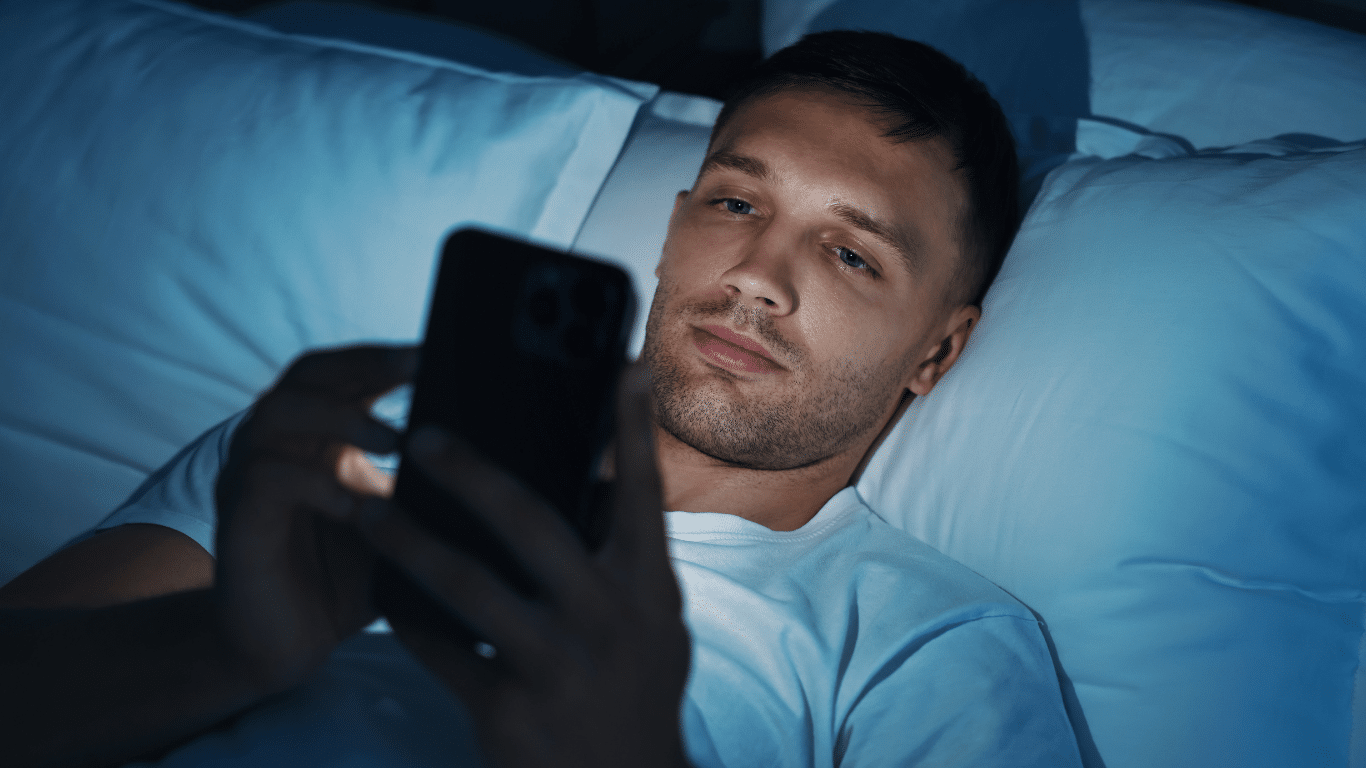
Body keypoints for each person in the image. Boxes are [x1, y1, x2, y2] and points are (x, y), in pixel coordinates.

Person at [0, 31, 1082, 767]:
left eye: (849, 254)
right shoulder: (341, 457)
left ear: (934, 353)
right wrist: (227, 646)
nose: (756, 273)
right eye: (735, 201)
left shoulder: (925, 642)